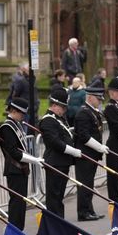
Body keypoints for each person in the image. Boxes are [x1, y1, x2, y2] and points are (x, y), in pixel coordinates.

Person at [0, 97, 42, 231]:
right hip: (14, 169)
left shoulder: (16, 124)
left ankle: (19, 230)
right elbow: (13, 152)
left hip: (21, 168)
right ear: (14, 111)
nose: (23, 116)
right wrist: (34, 160)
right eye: (21, 113)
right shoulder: (7, 127)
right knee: (16, 203)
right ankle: (15, 231)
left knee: (21, 202)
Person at [39, 87, 81, 217]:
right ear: (54, 105)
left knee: (59, 197)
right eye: (62, 107)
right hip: (54, 163)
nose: (64, 110)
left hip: (63, 163)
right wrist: (72, 151)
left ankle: (59, 224)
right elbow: (55, 142)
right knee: (54, 199)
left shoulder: (59, 119)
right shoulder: (48, 120)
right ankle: (53, 227)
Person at [74, 80, 110, 221]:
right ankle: (83, 212)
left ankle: (89, 210)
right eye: (98, 99)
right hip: (85, 155)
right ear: (90, 97)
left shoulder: (92, 112)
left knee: (89, 184)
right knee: (84, 184)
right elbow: (84, 136)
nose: (100, 101)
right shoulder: (83, 113)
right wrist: (99, 147)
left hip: (92, 155)